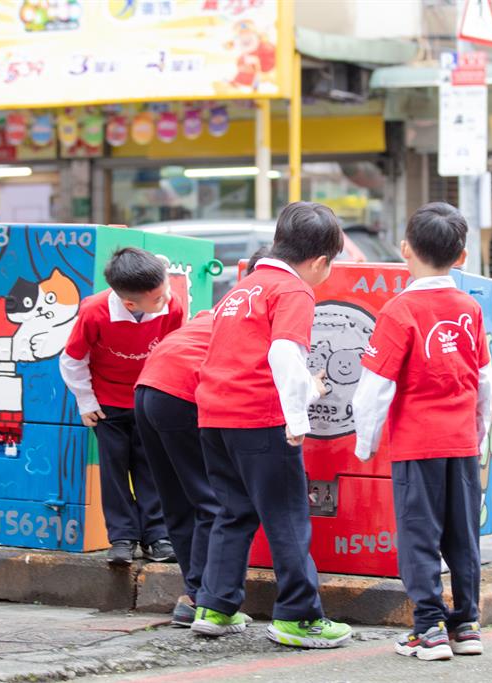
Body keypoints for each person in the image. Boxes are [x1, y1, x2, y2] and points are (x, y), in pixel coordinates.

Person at [192, 202, 352, 649]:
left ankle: (214, 606)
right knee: (287, 519)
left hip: (214, 416)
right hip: (260, 418)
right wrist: (296, 417)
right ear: (320, 261)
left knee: (233, 512)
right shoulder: (294, 290)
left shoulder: (242, 289)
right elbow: (284, 353)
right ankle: (299, 617)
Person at [351, 202, 492, 661]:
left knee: (419, 536)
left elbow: (375, 387)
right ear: (463, 256)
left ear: (405, 249)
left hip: (416, 446)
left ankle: (428, 628)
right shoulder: (470, 307)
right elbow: (485, 380)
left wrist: (364, 441)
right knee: (462, 535)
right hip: (462, 445)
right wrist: (476, 431)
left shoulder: (399, 310)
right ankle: (466, 624)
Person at [134, 248, 268, 628]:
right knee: (213, 500)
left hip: (148, 387)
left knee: (177, 501)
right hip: (181, 393)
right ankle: (209, 600)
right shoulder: (261, 311)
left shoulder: (226, 305)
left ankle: (192, 596)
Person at [59, 247, 183, 565]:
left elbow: (175, 353)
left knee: (152, 468)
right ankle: (122, 537)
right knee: (114, 469)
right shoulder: (94, 311)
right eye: (157, 298)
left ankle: (157, 536)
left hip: (148, 400)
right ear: (129, 303)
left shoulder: (173, 308)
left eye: (166, 291)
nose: (166, 300)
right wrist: (86, 402)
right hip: (107, 405)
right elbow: (73, 359)